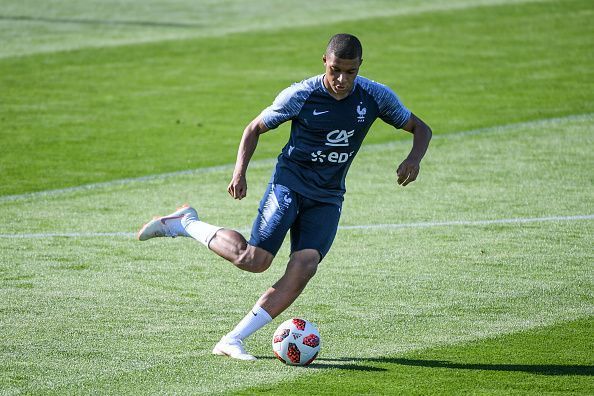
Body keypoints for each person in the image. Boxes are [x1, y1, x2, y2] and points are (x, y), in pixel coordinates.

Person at [137, 33, 432, 361]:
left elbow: (421, 127)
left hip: (328, 196)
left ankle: (232, 340)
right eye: (335, 70)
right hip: (289, 186)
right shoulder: (302, 94)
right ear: (325, 62)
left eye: (350, 72)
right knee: (254, 261)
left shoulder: (375, 96)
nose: (341, 79)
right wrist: (239, 172)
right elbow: (254, 128)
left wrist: (413, 158)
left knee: (305, 266)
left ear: (360, 66)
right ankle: (185, 222)